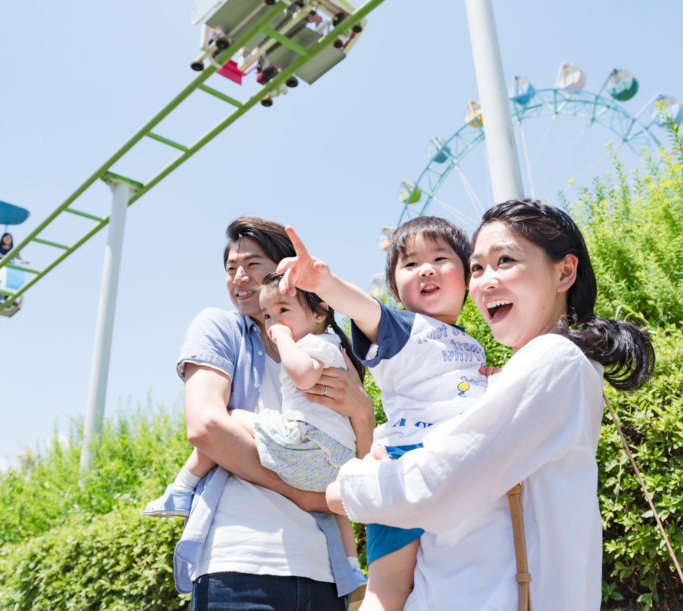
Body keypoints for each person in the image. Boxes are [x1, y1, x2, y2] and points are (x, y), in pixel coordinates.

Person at [325, 200, 655, 610]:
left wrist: (349, 486)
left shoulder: (555, 358)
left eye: (505, 260)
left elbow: (436, 483)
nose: (485, 281)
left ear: (564, 271)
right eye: (478, 268)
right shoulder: (518, 372)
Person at [276, 216, 490, 611]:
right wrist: (324, 283)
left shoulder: (472, 344)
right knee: (387, 590)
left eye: (441, 258)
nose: (426, 268)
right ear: (395, 289)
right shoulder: (402, 328)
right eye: (410, 265)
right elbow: (363, 308)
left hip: (452, 470)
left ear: (468, 276)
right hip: (401, 468)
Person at [171, 217, 375, 610]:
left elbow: (359, 470)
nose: (239, 277)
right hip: (239, 561)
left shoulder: (331, 351)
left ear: (285, 271)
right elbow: (205, 426)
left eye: (252, 264)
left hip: (323, 572)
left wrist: (363, 413)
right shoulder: (218, 328)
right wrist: (309, 497)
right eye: (231, 268)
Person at [144, 272, 366, 581]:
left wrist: (285, 339)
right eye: (268, 315)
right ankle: (352, 567)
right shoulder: (333, 347)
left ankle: (182, 488)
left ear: (319, 311)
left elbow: (304, 375)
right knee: (333, 510)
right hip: (333, 459)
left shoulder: (317, 345)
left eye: (283, 311)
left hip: (306, 441)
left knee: (232, 418)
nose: (274, 322)